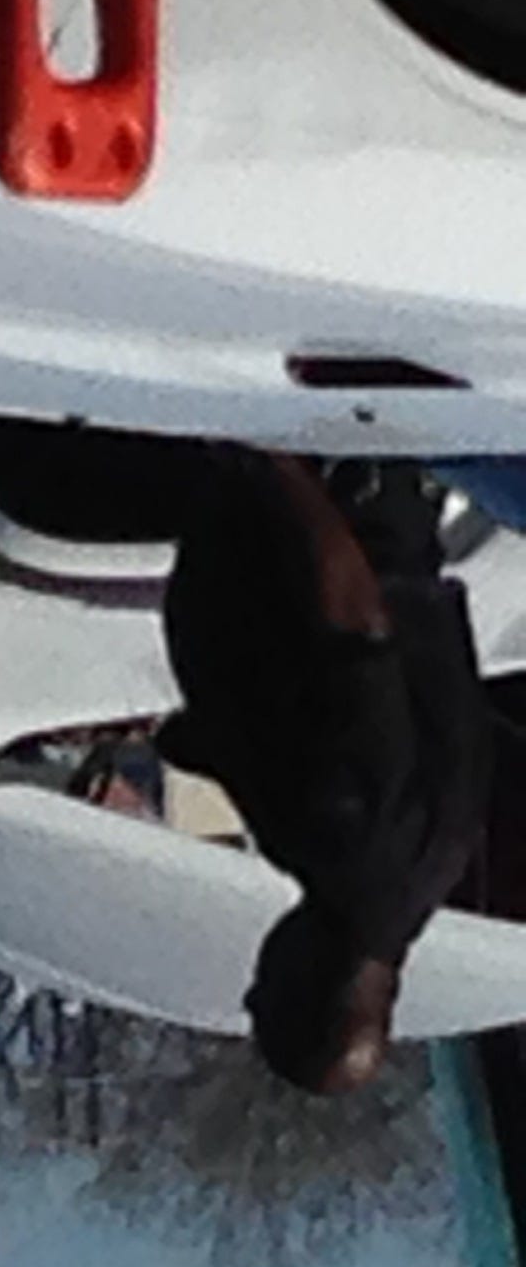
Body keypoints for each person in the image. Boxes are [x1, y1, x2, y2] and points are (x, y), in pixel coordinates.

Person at [157, 450, 490, 1093]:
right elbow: (356, 627)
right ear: (303, 989)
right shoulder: (351, 847)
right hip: (333, 482)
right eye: (265, 996)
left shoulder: (421, 874)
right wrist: (279, 465)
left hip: (363, 497)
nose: (253, 987)